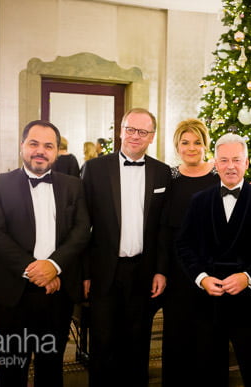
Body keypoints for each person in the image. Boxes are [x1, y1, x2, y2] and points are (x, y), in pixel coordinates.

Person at [0, 120, 90, 386]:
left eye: (48, 145)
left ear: (56, 151)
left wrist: (54, 265)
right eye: (34, 143)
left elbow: (81, 230)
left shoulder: (73, 185)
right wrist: (37, 270)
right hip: (12, 293)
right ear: (22, 147)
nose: (41, 151)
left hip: (57, 293)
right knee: (12, 367)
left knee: (51, 367)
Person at [177, 133, 251, 387]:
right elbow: (183, 244)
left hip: (248, 301)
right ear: (215, 163)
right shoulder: (199, 201)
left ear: (247, 163)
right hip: (208, 300)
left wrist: (248, 277)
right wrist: (201, 279)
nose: (230, 166)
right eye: (224, 160)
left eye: (236, 160)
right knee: (208, 369)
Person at [81, 108, 171, 386]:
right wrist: (84, 273)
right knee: (102, 342)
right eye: (130, 129)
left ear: (152, 137)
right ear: (120, 131)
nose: (135, 136)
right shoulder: (95, 168)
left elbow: (163, 229)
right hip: (104, 271)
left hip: (142, 272)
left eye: (142, 132)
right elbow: (82, 224)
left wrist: (160, 271)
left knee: (138, 341)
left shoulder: (162, 172)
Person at [160, 118, 219, 386]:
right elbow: (161, 227)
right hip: (177, 268)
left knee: (209, 334)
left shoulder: (219, 176)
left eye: (197, 142)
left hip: (212, 266)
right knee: (177, 332)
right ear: (177, 145)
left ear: (206, 145)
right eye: (185, 142)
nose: (191, 147)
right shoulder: (169, 178)